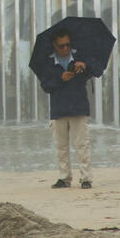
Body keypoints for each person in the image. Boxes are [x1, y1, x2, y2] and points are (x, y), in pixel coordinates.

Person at [39, 27, 95, 189]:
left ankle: (86, 178)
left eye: (67, 45)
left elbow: (94, 71)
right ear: (54, 46)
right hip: (58, 108)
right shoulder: (48, 63)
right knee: (61, 146)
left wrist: (84, 67)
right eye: (61, 46)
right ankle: (64, 178)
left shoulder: (79, 58)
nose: (65, 48)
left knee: (82, 145)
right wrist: (61, 78)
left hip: (78, 107)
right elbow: (46, 86)